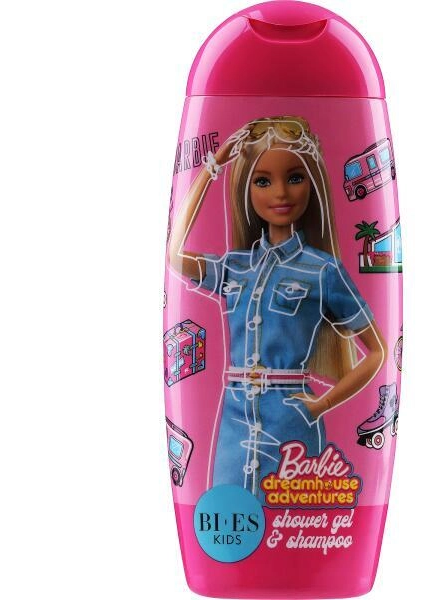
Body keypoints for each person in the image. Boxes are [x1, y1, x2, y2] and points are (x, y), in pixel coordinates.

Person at [168, 116, 385, 502]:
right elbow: (174, 254)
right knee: (227, 519)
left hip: (291, 423)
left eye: (295, 178)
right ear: (246, 188)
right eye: (263, 181)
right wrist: (214, 167)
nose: (281, 193)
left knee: (292, 519)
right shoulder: (236, 266)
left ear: (312, 183)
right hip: (234, 423)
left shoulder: (322, 270)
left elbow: (377, 352)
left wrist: (322, 405)